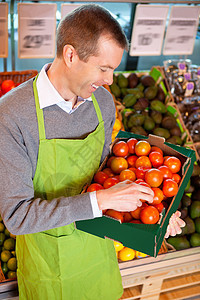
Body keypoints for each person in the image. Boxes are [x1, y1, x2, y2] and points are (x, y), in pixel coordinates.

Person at [0, 4, 185, 300]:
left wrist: (155, 214)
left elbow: (105, 177)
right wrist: (100, 200)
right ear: (71, 55)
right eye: (104, 68)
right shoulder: (12, 115)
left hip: (99, 258)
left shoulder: (102, 103)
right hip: (49, 267)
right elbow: (17, 216)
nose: (110, 80)